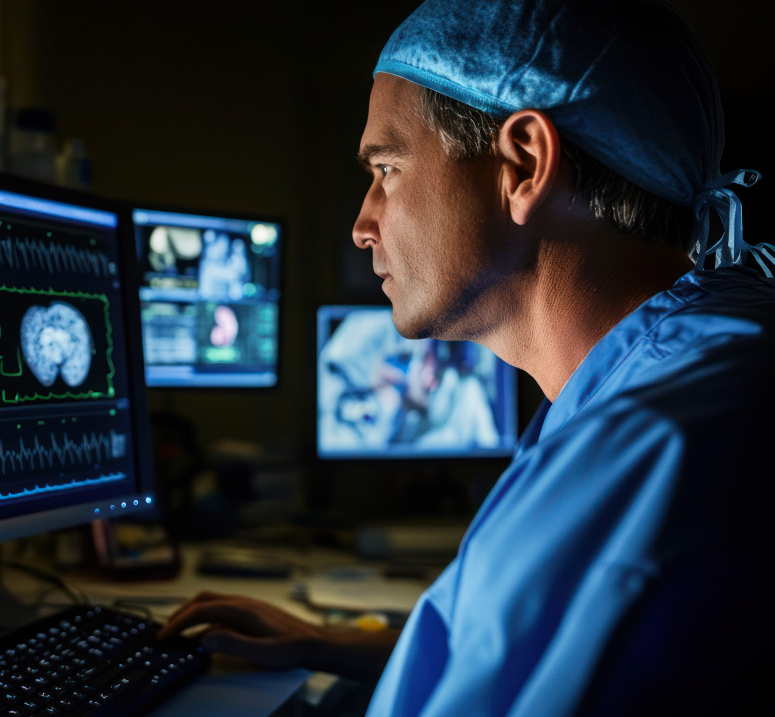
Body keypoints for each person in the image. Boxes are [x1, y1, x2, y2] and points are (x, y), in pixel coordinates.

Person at [159, 0, 774, 714]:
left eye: (386, 169)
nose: (363, 225)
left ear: (524, 165)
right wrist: (334, 643)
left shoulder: (644, 450)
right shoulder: (691, 357)